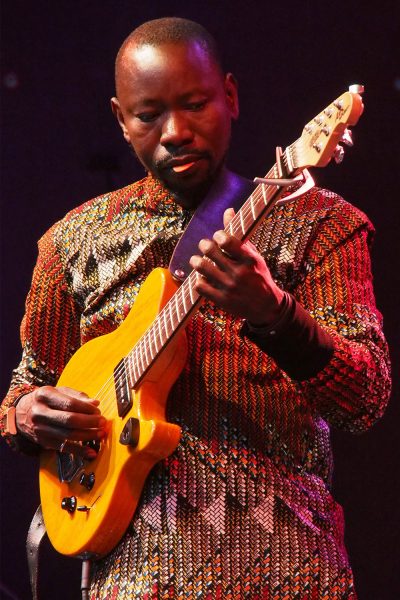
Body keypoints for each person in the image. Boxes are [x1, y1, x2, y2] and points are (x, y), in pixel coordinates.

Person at [0, 17, 391, 599]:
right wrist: (29, 414)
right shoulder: (71, 243)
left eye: (195, 104)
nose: (176, 130)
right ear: (119, 119)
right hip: (132, 577)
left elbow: (366, 398)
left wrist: (277, 316)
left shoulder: (320, 225)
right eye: (148, 114)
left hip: (291, 571)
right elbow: (25, 387)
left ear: (229, 96)